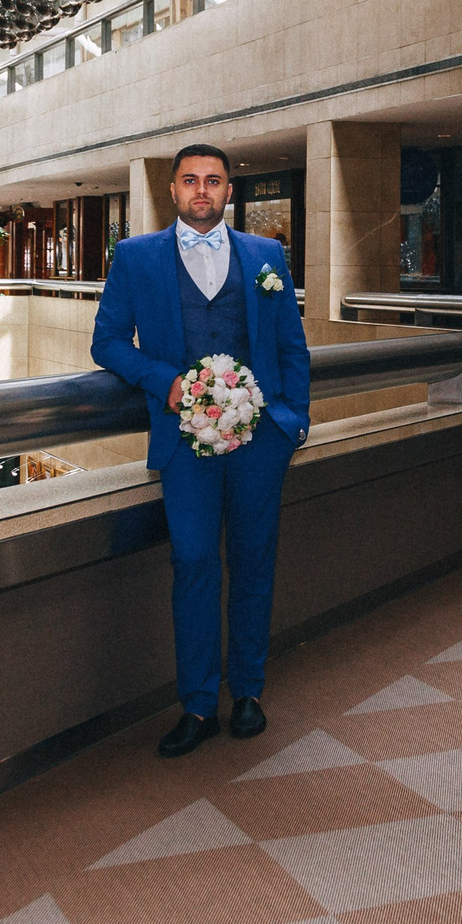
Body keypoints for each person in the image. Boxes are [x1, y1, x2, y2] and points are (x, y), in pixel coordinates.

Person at [90, 143, 311, 757]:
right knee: (192, 564)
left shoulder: (266, 255)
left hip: (260, 442)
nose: (202, 191)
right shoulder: (136, 257)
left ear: (229, 191)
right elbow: (107, 341)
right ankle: (197, 704)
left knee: (253, 563)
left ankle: (248, 693)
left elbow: (292, 345)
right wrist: (165, 381)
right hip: (184, 443)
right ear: (173, 191)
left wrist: (293, 423)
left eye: (213, 181)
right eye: (190, 180)